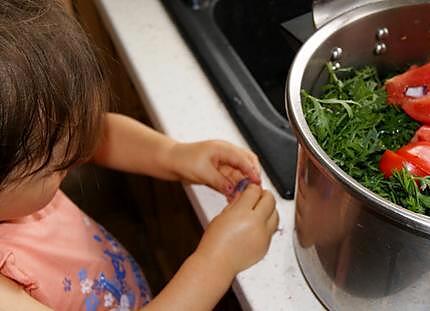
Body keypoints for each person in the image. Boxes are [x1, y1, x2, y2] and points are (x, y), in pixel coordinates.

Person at [0, 0, 279, 310]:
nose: (77, 154)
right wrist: (219, 259)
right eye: (58, 165)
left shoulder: (18, 168)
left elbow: (94, 135)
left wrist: (174, 155)